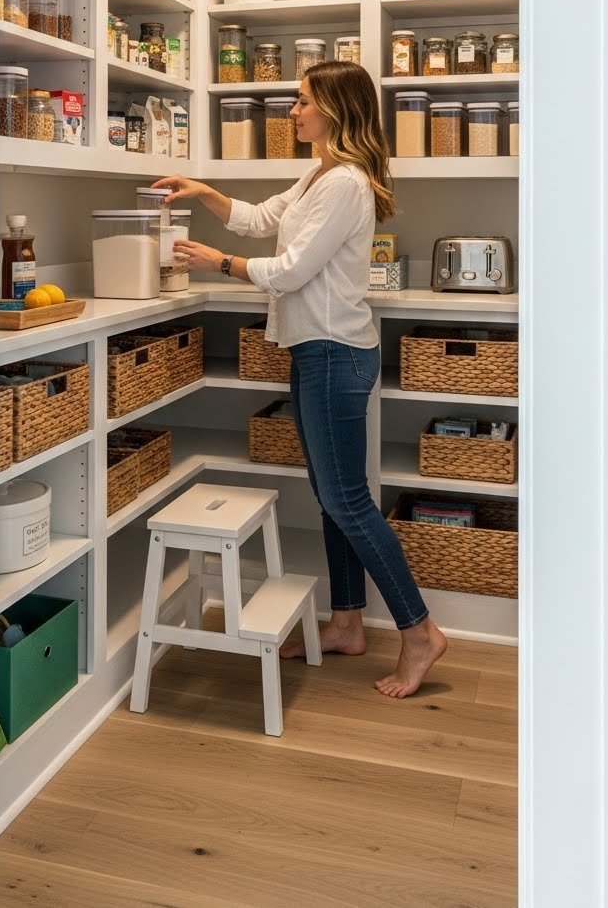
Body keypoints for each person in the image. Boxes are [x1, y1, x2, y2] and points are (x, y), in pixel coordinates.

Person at [152, 61, 447, 698]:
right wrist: (202, 191)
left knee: (347, 500)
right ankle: (346, 622)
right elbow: (260, 218)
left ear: (335, 110)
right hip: (320, 351)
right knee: (332, 493)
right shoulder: (319, 175)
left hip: (336, 353)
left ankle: (420, 632)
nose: (293, 111)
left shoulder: (345, 183)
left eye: (303, 100)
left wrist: (216, 262)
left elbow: (289, 271)